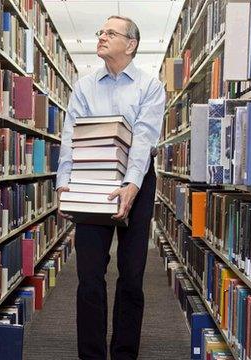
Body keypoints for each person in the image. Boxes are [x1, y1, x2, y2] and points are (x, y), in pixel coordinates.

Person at [55, 15, 166, 360]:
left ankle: (123, 353)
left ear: (130, 44)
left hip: (137, 182)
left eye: (110, 33)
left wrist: (131, 187)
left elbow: (144, 140)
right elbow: (70, 139)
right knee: (89, 276)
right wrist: (64, 185)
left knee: (132, 276)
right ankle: (91, 355)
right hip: (91, 183)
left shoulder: (150, 86)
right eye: (100, 32)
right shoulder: (84, 86)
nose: (101, 37)